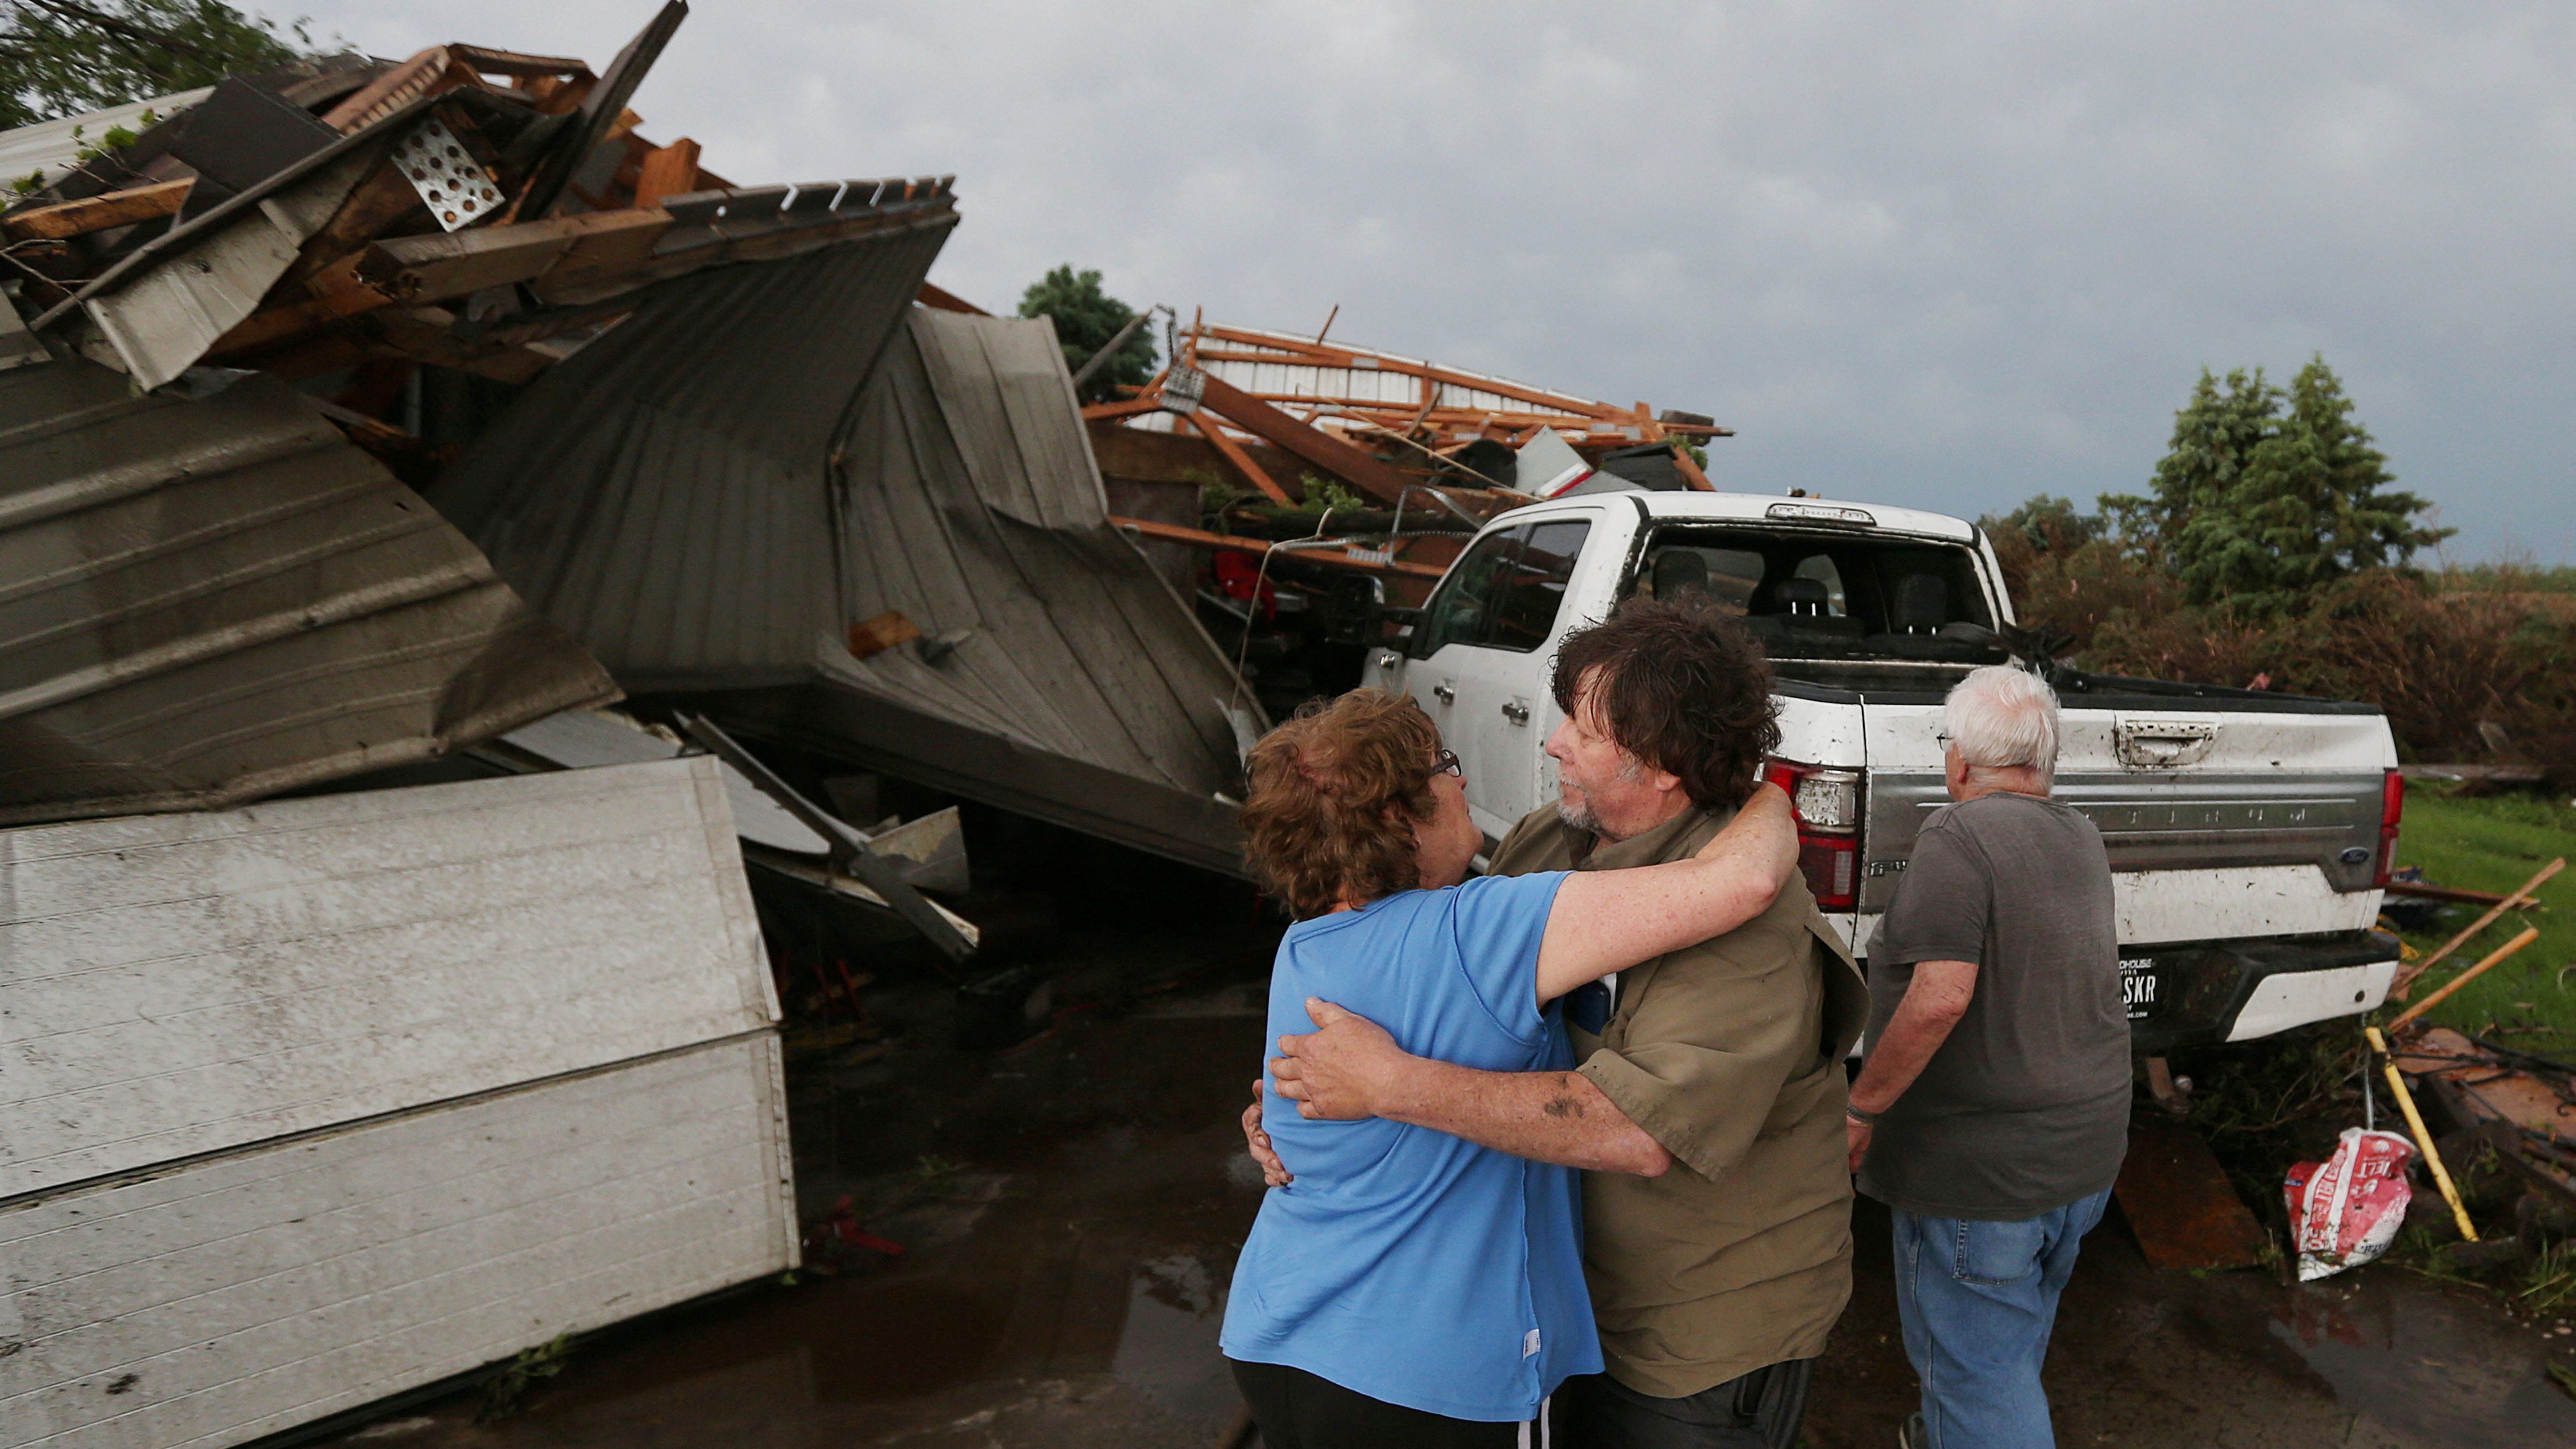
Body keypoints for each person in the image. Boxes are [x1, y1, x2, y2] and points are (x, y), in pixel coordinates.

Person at [1251, 598, 1870, 1449]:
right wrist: (1294, 1111)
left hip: (1689, 1337)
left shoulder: (1747, 933)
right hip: (1560, 1313)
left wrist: (1386, 1086)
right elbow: (1417, 984)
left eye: (1583, 728)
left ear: (1661, 763)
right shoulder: (1552, 840)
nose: (1551, 744)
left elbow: (1637, 1130)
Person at [1841, 665, 2128, 1449]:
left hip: (1983, 1178)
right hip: (2082, 1158)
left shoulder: (1957, 835)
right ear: (2043, 761)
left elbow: (1938, 998)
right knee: (2006, 1348)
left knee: (1980, 1383)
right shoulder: (2079, 834)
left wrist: (1860, 1107)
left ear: (1959, 760)